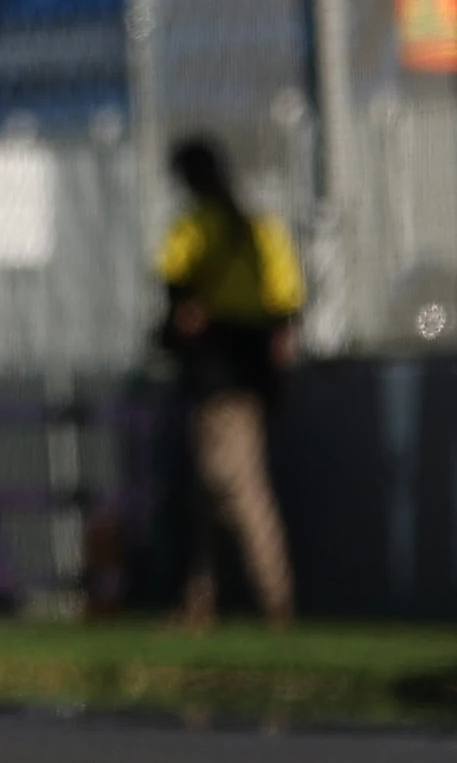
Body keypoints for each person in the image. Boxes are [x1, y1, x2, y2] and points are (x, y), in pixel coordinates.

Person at [156, 134, 300, 630]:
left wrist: (184, 324)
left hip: (220, 370)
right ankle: (201, 601)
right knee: (206, 492)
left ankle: (273, 602)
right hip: (246, 367)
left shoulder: (197, 230)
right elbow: (286, 310)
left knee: (235, 487)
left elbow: (180, 302)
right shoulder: (260, 229)